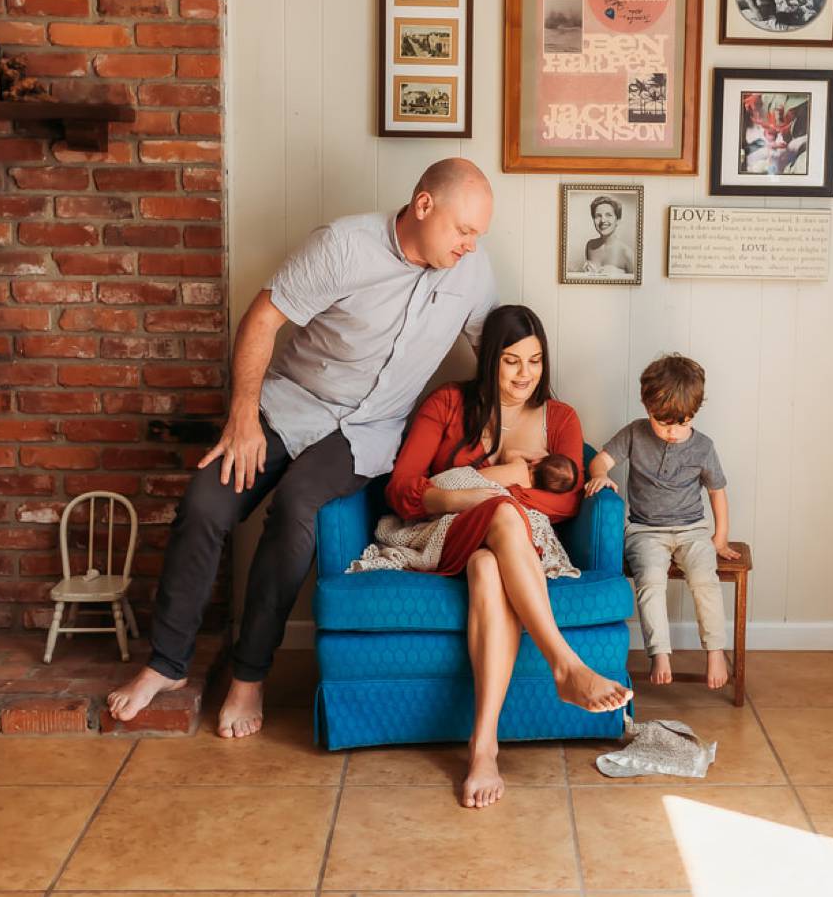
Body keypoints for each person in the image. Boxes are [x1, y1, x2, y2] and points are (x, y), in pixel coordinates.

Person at [106, 158, 499, 737]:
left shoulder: (472, 274)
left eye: (477, 235)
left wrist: (530, 435)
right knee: (204, 505)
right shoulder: (344, 245)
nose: (470, 245)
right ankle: (166, 664)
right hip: (291, 403)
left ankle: (249, 675)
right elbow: (263, 320)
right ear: (423, 206)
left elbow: (499, 356)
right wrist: (242, 418)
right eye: (462, 230)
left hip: (367, 431)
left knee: (294, 512)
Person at [383, 305, 633, 808]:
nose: (526, 375)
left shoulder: (560, 418)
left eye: (536, 361)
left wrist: (508, 493)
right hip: (448, 526)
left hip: (519, 542)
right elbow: (403, 488)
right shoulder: (449, 404)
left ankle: (483, 747)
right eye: (512, 361)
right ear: (489, 359)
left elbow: (567, 500)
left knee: (487, 566)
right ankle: (565, 664)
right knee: (498, 515)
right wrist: (465, 496)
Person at [585, 354, 738, 689]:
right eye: (663, 423)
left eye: (681, 423)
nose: (672, 432)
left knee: (704, 580)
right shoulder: (635, 434)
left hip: (692, 529)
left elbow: (717, 492)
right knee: (650, 581)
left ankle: (715, 651)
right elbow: (600, 461)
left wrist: (721, 537)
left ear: (694, 414)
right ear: (646, 406)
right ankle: (659, 652)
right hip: (645, 531)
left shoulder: (703, 446)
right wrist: (601, 477)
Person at [583, 196, 634, 275]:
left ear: (618, 220)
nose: (603, 220)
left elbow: (637, 284)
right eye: (598, 216)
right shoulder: (590, 246)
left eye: (609, 215)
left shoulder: (627, 253)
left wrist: (621, 275)